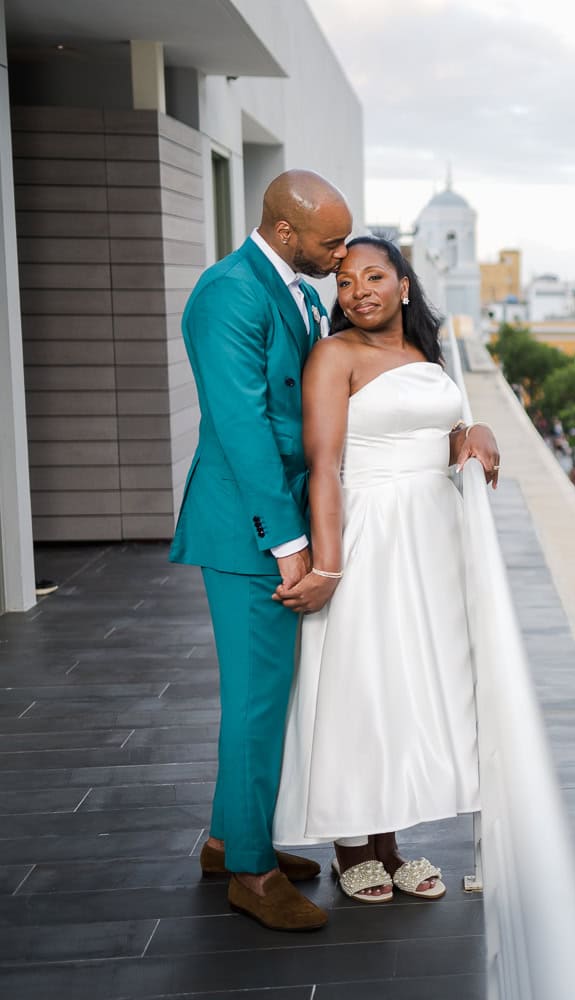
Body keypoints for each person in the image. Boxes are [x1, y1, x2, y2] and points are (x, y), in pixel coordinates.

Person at [270, 236, 499, 905]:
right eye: (345, 281)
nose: (359, 290)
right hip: (367, 531)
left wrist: (474, 432)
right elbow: (324, 466)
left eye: (374, 276)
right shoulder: (334, 354)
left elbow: (440, 433)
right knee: (359, 679)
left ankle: (391, 844)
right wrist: (330, 566)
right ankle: (351, 843)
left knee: (407, 680)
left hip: (430, 535)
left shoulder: (425, 354)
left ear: (404, 285)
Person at [170, 170, 352, 931]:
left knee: (263, 698)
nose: (343, 257)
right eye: (330, 242)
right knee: (254, 702)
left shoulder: (291, 285)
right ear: (285, 234)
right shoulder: (229, 293)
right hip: (252, 531)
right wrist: (288, 543)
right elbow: (243, 427)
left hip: (271, 519)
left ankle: (226, 840)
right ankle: (251, 871)